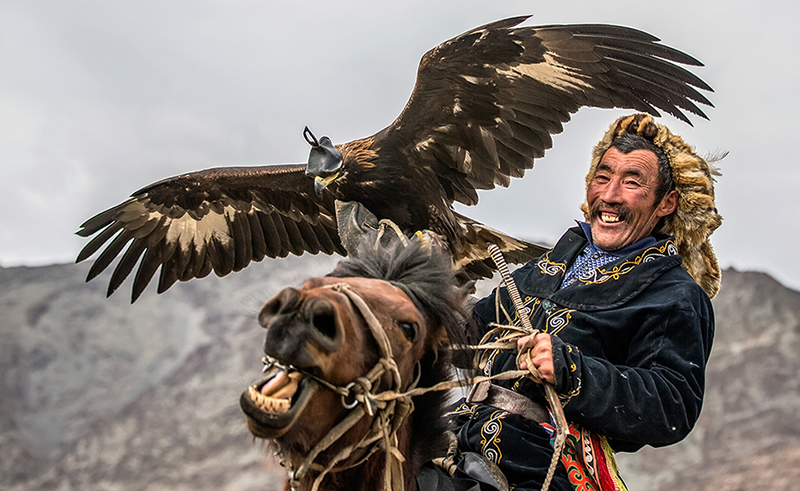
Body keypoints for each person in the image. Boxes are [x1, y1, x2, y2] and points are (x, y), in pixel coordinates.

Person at [450, 113, 722, 491]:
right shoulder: (544, 268)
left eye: (631, 182)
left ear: (667, 202)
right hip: (457, 435)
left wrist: (571, 369)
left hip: (546, 465)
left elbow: (671, 404)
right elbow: (468, 334)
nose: (609, 196)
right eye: (603, 177)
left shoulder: (674, 295)